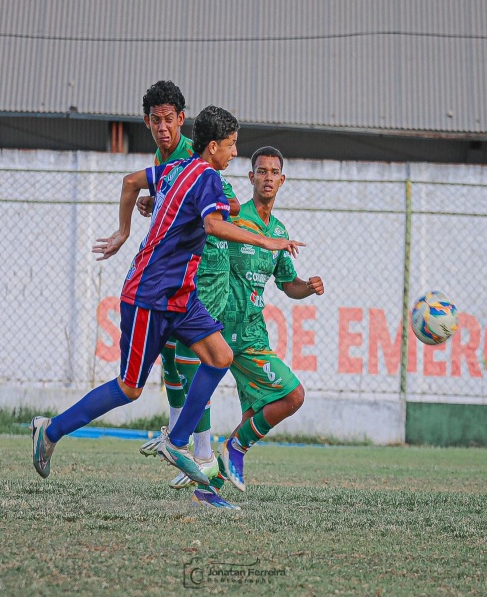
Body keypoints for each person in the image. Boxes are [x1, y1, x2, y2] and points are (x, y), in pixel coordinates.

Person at [30, 108, 304, 487]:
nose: (234, 153)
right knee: (130, 387)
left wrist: (131, 222)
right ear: (213, 147)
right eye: (231, 145)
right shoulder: (207, 176)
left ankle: (178, 442)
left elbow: (133, 183)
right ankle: (50, 430)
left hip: (181, 294)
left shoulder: (176, 168)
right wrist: (264, 239)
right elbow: (213, 224)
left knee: (221, 356)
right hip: (151, 293)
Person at [193, 146, 324, 503]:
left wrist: (307, 289)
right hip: (225, 328)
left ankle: (208, 490)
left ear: (282, 180)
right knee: (293, 394)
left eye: (273, 172)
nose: (267, 178)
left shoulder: (278, 231)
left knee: (255, 412)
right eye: (261, 171)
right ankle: (234, 447)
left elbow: (287, 284)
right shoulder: (235, 219)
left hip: (253, 331)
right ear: (251, 178)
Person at [134, 82, 239, 500]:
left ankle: (200, 452)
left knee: (191, 359)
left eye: (169, 119)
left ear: (182, 119)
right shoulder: (162, 158)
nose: (163, 127)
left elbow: (228, 204)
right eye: (155, 120)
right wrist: (151, 202)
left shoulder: (191, 157)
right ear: (148, 122)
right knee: (170, 364)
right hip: (174, 273)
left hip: (205, 270)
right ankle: (180, 447)